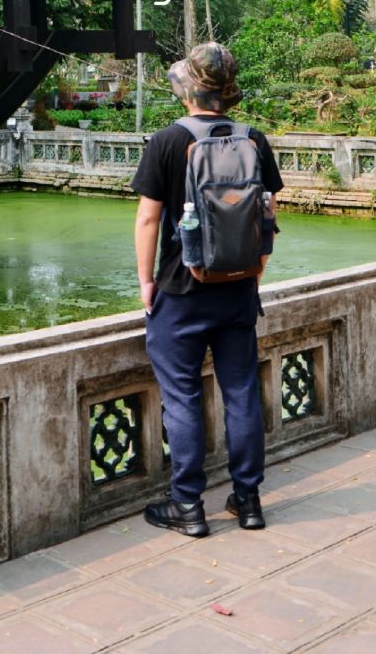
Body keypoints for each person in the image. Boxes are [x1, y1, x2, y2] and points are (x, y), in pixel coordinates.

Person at [131, 42, 283, 538]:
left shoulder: (167, 141)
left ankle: (188, 507)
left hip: (182, 290)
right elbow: (268, 216)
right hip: (238, 289)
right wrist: (254, 273)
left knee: (182, 396)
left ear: (187, 90)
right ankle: (249, 499)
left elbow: (149, 219)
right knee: (241, 391)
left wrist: (147, 283)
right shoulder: (253, 139)